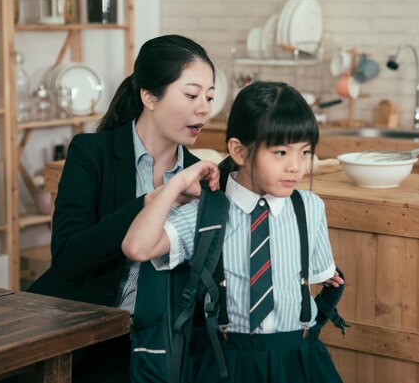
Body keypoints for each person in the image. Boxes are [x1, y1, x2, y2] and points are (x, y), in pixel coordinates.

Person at [122, 81, 345, 383]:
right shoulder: (209, 214)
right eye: (280, 152)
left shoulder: (309, 207)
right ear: (239, 151)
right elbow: (137, 247)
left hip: (300, 359)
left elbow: (320, 275)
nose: (296, 166)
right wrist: (176, 182)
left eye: (304, 152)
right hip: (231, 362)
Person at [27, 34, 216, 383]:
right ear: (149, 96)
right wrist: (151, 202)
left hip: (159, 345)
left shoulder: (201, 178)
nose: (203, 108)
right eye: (191, 95)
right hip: (85, 340)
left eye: (209, 97)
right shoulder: (91, 153)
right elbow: (68, 256)